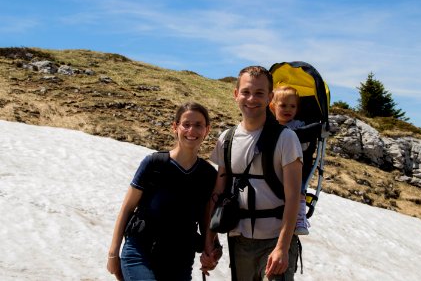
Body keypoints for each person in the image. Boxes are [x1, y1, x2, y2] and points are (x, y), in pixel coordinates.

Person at [202, 66, 303, 280]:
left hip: (275, 241)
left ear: (270, 97)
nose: (251, 99)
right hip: (239, 241)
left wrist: (282, 248)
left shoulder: (286, 139)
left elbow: (294, 197)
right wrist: (209, 240)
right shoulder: (226, 139)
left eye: (259, 93)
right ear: (236, 94)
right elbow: (218, 193)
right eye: (246, 92)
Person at [107, 102, 220, 281]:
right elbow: (127, 209)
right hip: (140, 252)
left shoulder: (208, 174)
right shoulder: (154, 164)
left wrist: (213, 251)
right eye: (186, 124)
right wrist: (113, 255)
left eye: (198, 125)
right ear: (175, 127)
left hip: (180, 260)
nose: (192, 130)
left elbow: (206, 220)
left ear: (207, 130)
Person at [269, 86, 310, 236]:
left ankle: (299, 218)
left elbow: (305, 145)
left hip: (294, 163)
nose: (288, 109)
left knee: (299, 190)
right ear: (273, 106)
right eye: (283, 105)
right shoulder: (268, 124)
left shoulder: (299, 126)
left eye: (293, 106)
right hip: (272, 164)